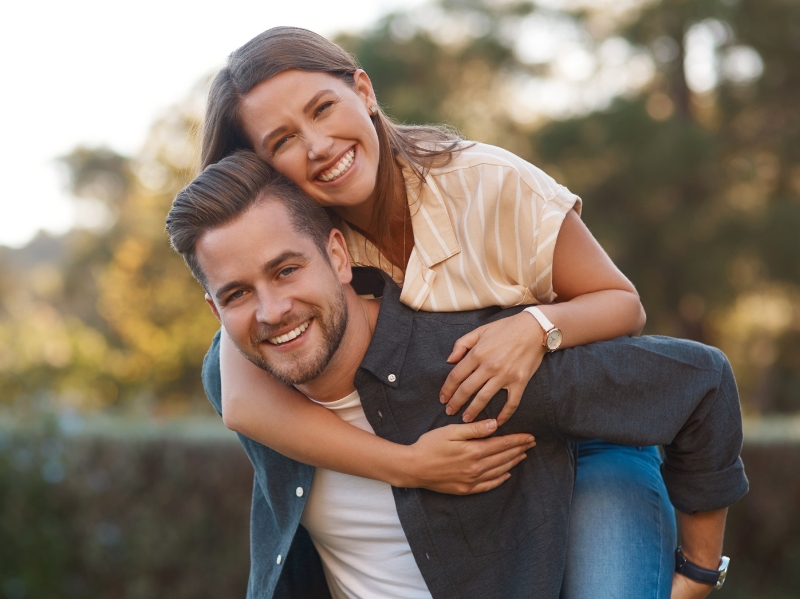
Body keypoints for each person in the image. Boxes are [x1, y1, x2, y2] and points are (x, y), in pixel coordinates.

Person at [202, 26, 668, 596]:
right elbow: (243, 404)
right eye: (283, 141)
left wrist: (534, 327)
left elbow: (623, 304)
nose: (318, 145)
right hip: (493, 474)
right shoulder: (305, 255)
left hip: (589, 440)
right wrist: (408, 465)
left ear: (365, 91)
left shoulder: (488, 183)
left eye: (323, 109)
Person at [165, 152, 747, 599]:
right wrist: (408, 465)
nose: (271, 311)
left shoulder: (472, 368)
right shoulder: (246, 381)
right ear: (216, 313)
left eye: (287, 269)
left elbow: (702, 381)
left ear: (338, 257)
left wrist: (698, 570)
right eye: (238, 293)